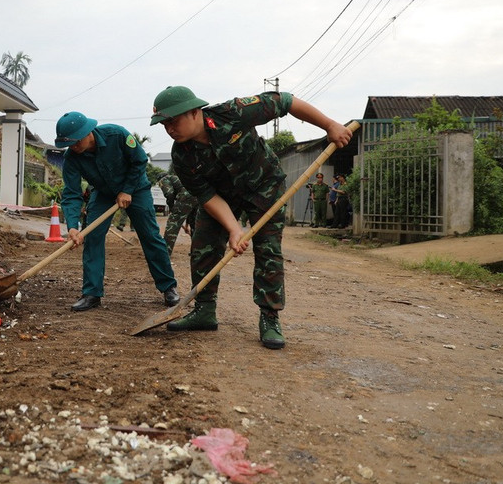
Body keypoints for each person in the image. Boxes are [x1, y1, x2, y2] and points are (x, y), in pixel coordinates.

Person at [150, 86, 352, 349]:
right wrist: (234, 229)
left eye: (173, 121)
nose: (169, 129)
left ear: (194, 112)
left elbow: (285, 102)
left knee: (268, 250)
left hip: (264, 188)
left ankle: (269, 318)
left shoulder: (234, 113)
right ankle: (204, 311)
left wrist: (329, 125)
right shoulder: (181, 156)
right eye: (164, 124)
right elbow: (208, 197)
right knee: (204, 245)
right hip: (224, 197)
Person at [56, 111, 180, 312]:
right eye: (69, 144)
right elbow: (71, 194)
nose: (74, 148)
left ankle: (168, 287)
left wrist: (127, 190)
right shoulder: (72, 157)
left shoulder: (117, 135)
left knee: (150, 236)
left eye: (76, 142)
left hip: (136, 189)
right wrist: (72, 227)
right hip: (103, 193)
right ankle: (91, 293)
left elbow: (139, 160)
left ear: (88, 132)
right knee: (93, 236)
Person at [158, 173, 199, 254]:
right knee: (195, 225)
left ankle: (165, 253)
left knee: (173, 225)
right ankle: (196, 253)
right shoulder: (177, 178)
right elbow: (187, 213)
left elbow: (169, 194)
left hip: (186, 195)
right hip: (197, 195)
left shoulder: (163, 179)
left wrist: (171, 207)